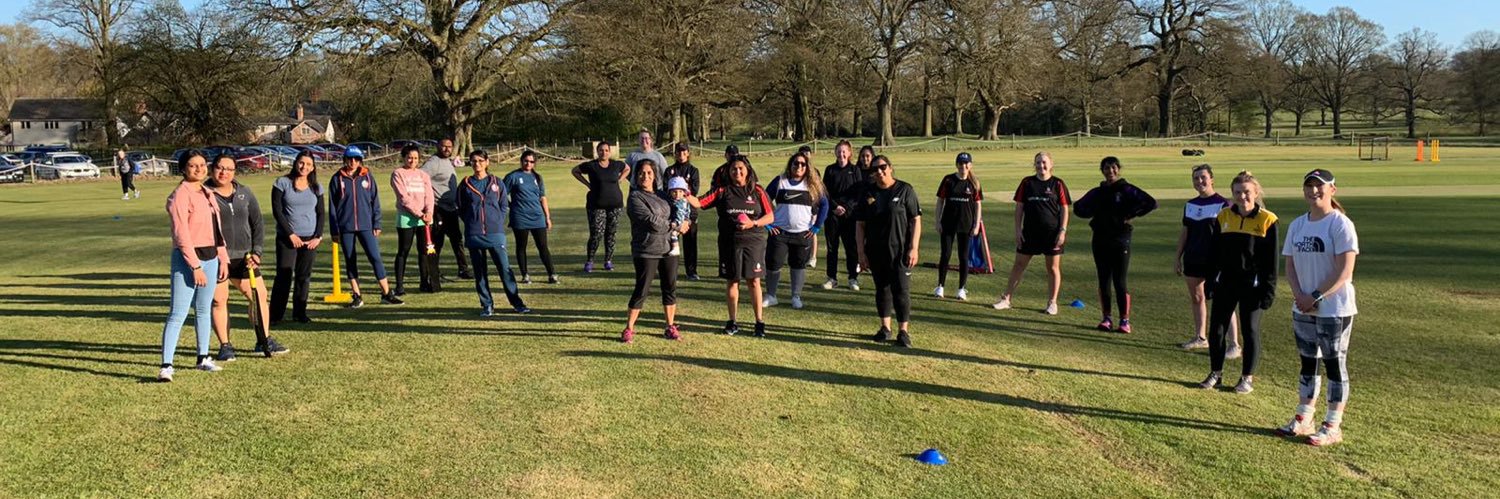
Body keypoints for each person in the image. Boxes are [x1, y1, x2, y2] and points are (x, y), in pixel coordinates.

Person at [1277, 168, 1359, 446]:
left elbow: (1344, 271)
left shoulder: (1340, 224)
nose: (1314, 191)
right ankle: (1304, 418)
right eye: (1309, 186)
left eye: (1319, 186)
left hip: (1334, 308)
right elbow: (1289, 265)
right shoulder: (1298, 225)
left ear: (1332, 190)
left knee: (1334, 364)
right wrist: (1300, 295)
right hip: (1302, 306)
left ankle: (1333, 425)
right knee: (1307, 363)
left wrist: (1314, 296)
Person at [1198, 170, 1278, 395]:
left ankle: (1246, 378)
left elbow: (1271, 262)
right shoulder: (1223, 217)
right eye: (1237, 192)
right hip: (1226, 282)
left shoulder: (1267, 220)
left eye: (1246, 192)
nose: (1242, 197)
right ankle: (1216, 372)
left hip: (1252, 286)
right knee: (1217, 330)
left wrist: (1268, 290)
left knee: (1250, 330)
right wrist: (1210, 281)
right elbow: (1214, 254)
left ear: (1256, 193)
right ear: (1231, 194)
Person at [206, 155, 289, 361]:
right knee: (219, 300)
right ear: (212, 169)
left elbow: (257, 223)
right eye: (219, 168)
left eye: (229, 169)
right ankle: (225, 346)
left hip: (245, 258)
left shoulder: (245, 192)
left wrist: (257, 252)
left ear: (235, 172)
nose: (224, 172)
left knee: (259, 296)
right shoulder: (204, 194)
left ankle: (263, 340)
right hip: (218, 259)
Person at [157, 151, 229, 381]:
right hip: (188, 260)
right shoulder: (180, 195)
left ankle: (203, 357)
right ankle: (166, 365)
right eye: (192, 165)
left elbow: (216, 230)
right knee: (178, 313)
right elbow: (181, 234)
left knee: (203, 309)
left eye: (201, 165)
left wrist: (222, 257)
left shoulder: (208, 192)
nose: (198, 169)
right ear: (183, 169)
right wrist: (195, 267)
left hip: (211, 257)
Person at [687, 155, 774, 337]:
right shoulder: (722, 191)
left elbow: (770, 217)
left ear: (748, 170)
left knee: (754, 281)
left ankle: (759, 322)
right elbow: (700, 202)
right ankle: (732, 321)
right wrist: (684, 193)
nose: (737, 172)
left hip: (754, 242)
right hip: (730, 243)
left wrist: (753, 223)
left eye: (741, 168)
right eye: (734, 169)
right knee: (732, 281)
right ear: (729, 172)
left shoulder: (757, 190)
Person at [1073, 156, 1157, 333]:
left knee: (1120, 282)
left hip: (1120, 239)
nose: (1110, 171)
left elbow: (1150, 203)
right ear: (1102, 171)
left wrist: (1130, 215)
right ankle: (1106, 318)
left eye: (1113, 167)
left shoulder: (1126, 189)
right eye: (1106, 168)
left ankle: (1124, 321)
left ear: (1118, 169)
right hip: (1100, 239)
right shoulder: (1097, 192)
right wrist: (1093, 213)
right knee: (1104, 280)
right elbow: (1079, 208)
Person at [855, 155, 922, 347]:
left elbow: (915, 220)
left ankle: (903, 331)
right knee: (882, 289)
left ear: (890, 168)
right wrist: (861, 252)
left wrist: (913, 248)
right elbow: (860, 225)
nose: (879, 171)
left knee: (901, 290)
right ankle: (885, 328)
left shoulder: (904, 190)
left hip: (900, 251)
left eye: (883, 167)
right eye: (875, 169)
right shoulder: (868, 193)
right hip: (876, 250)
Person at [1175, 164, 1241, 356]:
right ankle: (1200, 338)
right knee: (1197, 298)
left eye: (1203, 177)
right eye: (1196, 178)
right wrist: (1177, 257)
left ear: (1212, 179)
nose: (1199, 181)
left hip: (1216, 262)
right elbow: (1185, 233)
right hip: (1193, 258)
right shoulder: (1190, 205)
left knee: (1224, 301)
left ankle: (1234, 344)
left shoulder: (1224, 204)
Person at [993, 152, 1071, 315]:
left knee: (1052, 268)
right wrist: (1017, 229)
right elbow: (1019, 207)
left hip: (1052, 234)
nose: (1041, 166)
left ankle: (1052, 303)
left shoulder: (1058, 184)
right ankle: (1006, 299)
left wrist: (1062, 231)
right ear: (1034, 165)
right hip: (1029, 233)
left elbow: (1064, 208)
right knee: (1019, 265)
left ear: (1051, 164)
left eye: (1044, 162)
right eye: (1037, 163)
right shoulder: (1027, 183)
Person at [457, 150, 532, 316]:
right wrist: (471, 221)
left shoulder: (496, 182)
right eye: (473, 161)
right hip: (474, 234)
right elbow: (461, 208)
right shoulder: (465, 184)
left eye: (480, 161)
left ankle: (517, 303)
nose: (477, 164)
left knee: (505, 270)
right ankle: (487, 305)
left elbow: (504, 205)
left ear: (487, 162)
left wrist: (496, 220)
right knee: (480, 272)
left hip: (495, 233)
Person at [328, 145, 402, 307]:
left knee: (375, 258)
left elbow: (375, 201)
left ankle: (386, 293)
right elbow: (332, 207)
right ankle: (357, 296)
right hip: (345, 227)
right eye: (349, 159)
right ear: (345, 159)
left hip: (366, 225)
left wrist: (377, 222)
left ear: (360, 160)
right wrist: (335, 230)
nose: (352, 162)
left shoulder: (367, 176)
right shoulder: (336, 178)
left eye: (356, 159)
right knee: (350, 260)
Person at [622, 159, 683, 342]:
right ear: (636, 176)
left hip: (669, 249)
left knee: (669, 288)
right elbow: (652, 223)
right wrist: (674, 225)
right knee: (642, 289)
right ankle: (629, 328)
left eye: (649, 173)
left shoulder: (664, 195)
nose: (645, 176)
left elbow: (679, 210)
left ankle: (670, 326)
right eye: (641, 173)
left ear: (655, 175)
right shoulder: (635, 197)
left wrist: (684, 222)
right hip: (646, 250)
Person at [762, 154, 829, 310]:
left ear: (807, 167)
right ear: (790, 165)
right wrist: (768, 225)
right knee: (773, 264)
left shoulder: (812, 185)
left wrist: (816, 227)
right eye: (795, 164)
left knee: (798, 265)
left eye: (803, 164)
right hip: (780, 233)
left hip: (802, 234)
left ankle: (796, 296)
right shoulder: (780, 181)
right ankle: (771, 295)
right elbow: (763, 200)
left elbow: (825, 205)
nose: (799, 167)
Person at [269, 152, 324, 325]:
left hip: (310, 240)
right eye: (301, 163)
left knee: (303, 276)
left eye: (308, 164)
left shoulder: (316, 187)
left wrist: (318, 236)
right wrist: (290, 234)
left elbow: (321, 213)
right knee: (284, 276)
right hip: (288, 239)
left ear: (313, 167)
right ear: (295, 163)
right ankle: (275, 315)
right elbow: (277, 211)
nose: (304, 167)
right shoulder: (282, 183)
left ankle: (300, 313)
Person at [571, 141, 630, 272]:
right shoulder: (591, 165)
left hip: (615, 205)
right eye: (601, 150)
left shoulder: (616, 164)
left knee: (611, 234)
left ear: (610, 152)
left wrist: (620, 179)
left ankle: (608, 260)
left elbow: (627, 168)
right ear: (597, 152)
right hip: (596, 205)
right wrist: (587, 184)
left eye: (606, 150)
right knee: (596, 233)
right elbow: (575, 171)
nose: (604, 152)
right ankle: (590, 261)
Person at [933, 152, 984, 301]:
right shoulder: (948, 180)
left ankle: (961, 289)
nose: (963, 166)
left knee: (963, 257)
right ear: (957, 165)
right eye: (961, 164)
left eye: (966, 163)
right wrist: (937, 221)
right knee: (946, 255)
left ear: (970, 165)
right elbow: (940, 201)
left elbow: (978, 205)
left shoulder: (974, 183)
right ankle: (940, 286)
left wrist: (976, 225)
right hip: (948, 224)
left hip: (966, 225)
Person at [421, 138, 474, 280]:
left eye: (449, 147)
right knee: (437, 241)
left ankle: (463, 270)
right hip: (438, 208)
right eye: (443, 146)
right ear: (438, 146)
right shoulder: (433, 163)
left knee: (457, 239)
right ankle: (434, 272)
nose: (446, 149)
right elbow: (420, 178)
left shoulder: (447, 162)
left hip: (451, 208)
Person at [503, 150, 557, 284]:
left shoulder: (537, 177)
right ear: (521, 161)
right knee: (521, 246)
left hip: (537, 217)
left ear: (535, 163)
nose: (528, 163)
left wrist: (547, 217)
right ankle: (525, 274)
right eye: (526, 161)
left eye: (532, 161)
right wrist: (512, 205)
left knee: (543, 246)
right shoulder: (513, 176)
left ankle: (552, 274)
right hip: (520, 217)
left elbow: (542, 197)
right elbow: (501, 194)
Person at [391, 144, 438, 295]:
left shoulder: (423, 175)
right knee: (403, 251)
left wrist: (429, 212)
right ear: (404, 158)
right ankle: (399, 285)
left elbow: (429, 195)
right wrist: (419, 213)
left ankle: (424, 282)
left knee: (424, 251)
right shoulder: (398, 173)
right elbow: (403, 197)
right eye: (410, 157)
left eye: (416, 158)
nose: (412, 160)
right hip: (407, 217)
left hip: (424, 219)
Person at [822, 140, 864, 291]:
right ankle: (831, 278)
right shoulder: (830, 170)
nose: (841, 154)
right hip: (833, 214)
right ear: (835, 153)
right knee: (832, 248)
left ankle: (853, 277)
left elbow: (858, 193)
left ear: (849, 153)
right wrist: (835, 207)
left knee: (851, 247)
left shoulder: (855, 170)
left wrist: (846, 207)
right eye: (839, 151)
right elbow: (825, 192)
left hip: (849, 215)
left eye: (844, 151)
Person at [663, 143, 702, 279]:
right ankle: (669, 271)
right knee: (671, 242)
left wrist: (681, 191)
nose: (681, 154)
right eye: (678, 152)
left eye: (684, 152)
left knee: (690, 243)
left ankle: (691, 272)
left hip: (689, 212)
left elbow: (694, 191)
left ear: (688, 153)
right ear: (675, 154)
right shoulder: (669, 170)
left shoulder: (693, 170)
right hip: (672, 212)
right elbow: (667, 189)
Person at [666, 178, 691, 257]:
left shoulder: (681, 202)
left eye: (680, 191)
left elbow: (680, 214)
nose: (677, 194)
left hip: (680, 222)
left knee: (673, 234)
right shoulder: (674, 200)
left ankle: (676, 248)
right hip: (678, 221)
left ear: (684, 192)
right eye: (674, 192)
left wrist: (676, 222)